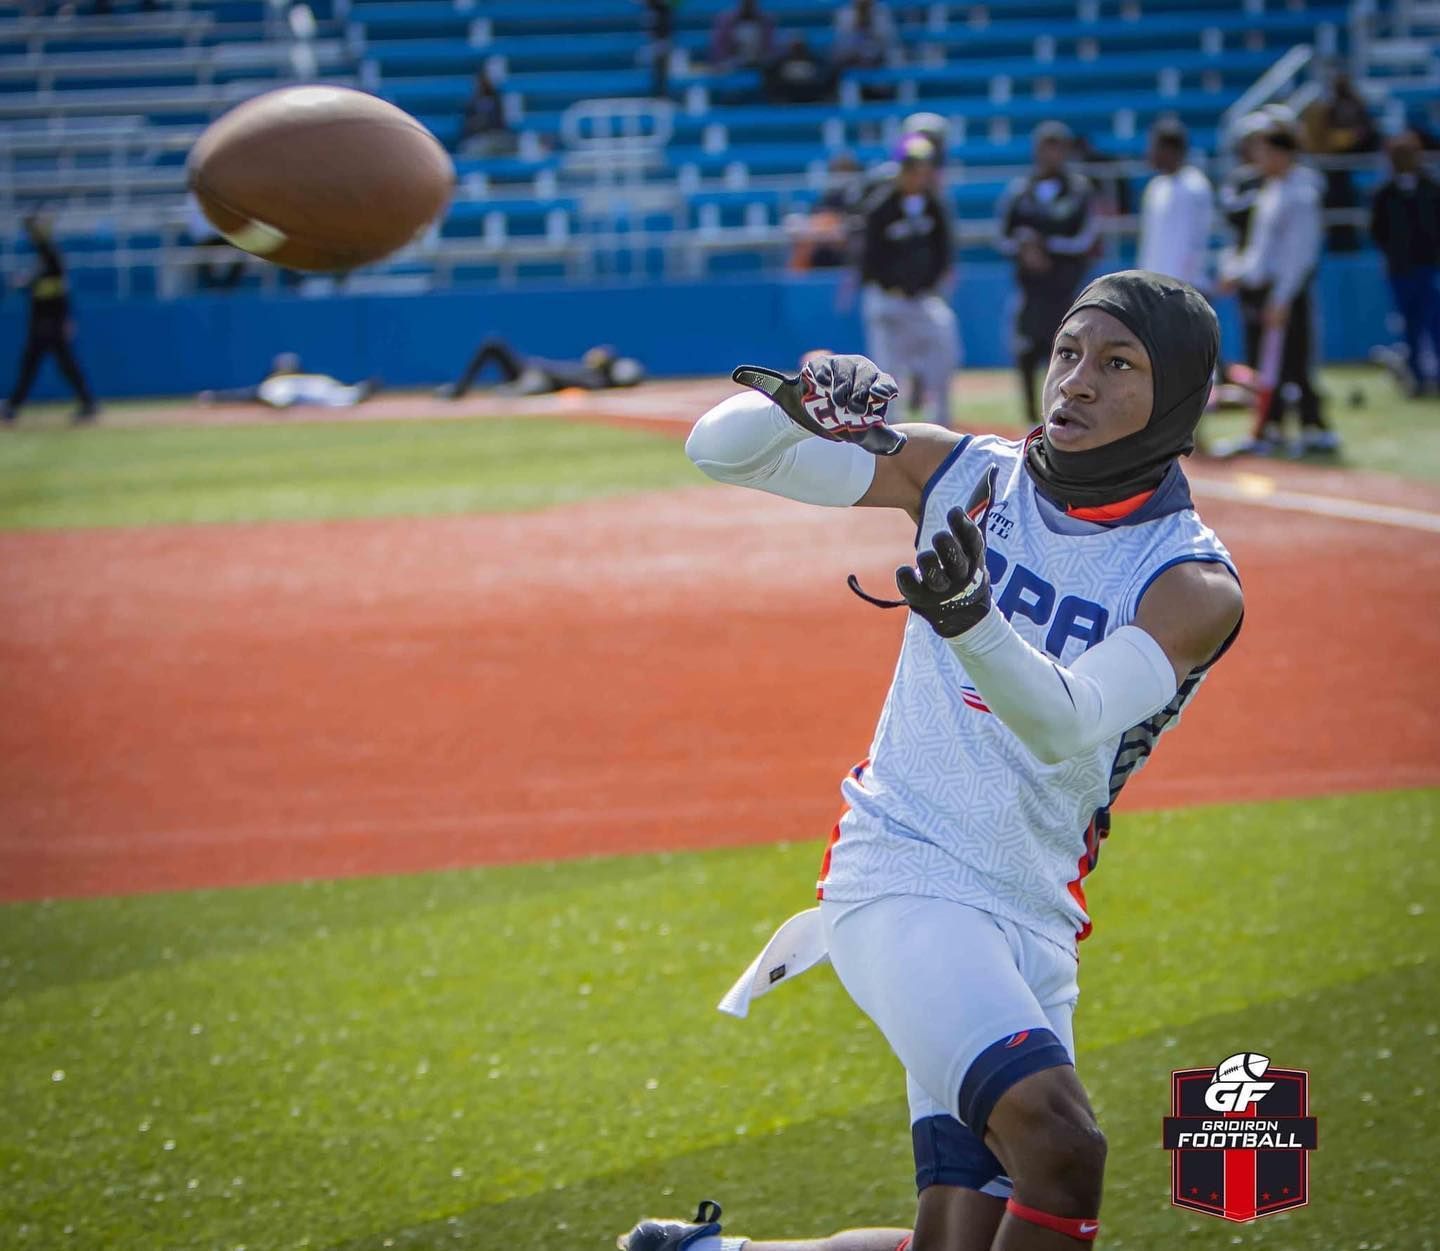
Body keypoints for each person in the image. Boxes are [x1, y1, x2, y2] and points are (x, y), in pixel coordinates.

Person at [619, 269, 1243, 1251]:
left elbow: (1067, 722)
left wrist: (971, 620)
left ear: (1179, 396)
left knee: (961, 1237)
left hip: (1037, 913)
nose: (1076, 380)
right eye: (1069, 351)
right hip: (903, 875)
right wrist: (798, 407)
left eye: (1118, 364)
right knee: (1062, 1149)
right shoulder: (965, 471)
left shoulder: (1192, 583)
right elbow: (721, 450)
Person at [1218, 114, 1337, 456]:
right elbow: (1260, 247)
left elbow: (1299, 253)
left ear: (1283, 153)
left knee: (1289, 362)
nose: (1259, 158)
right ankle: (1278, 428)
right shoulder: (1272, 188)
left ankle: (1305, 428)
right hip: (1263, 288)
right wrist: (1239, 272)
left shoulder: (1300, 193)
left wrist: (1282, 297)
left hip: (1284, 291)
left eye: (1265, 151)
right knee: (1269, 363)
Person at [996, 122, 1099, 426]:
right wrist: (1024, 248)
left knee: (1068, 356)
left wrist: (1046, 248)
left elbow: (1086, 239)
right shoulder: (1020, 191)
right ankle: (1031, 418)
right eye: (1046, 147)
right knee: (1026, 352)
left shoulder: (1079, 190)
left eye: (1057, 147)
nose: (1051, 154)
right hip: (1030, 291)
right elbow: (1002, 237)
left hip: (1065, 291)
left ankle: (1067, 414)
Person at [858, 135, 958, 426]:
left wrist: (930, 281)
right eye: (912, 168)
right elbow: (868, 257)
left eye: (923, 168)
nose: (918, 174)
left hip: (924, 299)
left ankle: (941, 423)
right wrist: (891, 284)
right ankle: (891, 427)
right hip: (888, 298)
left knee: (945, 348)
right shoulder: (880, 207)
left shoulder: (935, 206)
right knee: (887, 369)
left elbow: (944, 250)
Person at [3, 215, 98, 425]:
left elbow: (53, 287)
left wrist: (25, 284)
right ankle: (87, 404)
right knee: (47, 366)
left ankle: (12, 407)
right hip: (45, 323)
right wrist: (25, 284)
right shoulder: (46, 260)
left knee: (43, 366)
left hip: (49, 324)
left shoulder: (52, 258)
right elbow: (44, 285)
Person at [1370, 130, 1440, 397]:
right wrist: (1394, 253)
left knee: (1435, 322)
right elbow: (1377, 230)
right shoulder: (1384, 193)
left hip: (1429, 266)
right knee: (1409, 325)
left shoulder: (1431, 188)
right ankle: (1417, 378)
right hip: (1400, 269)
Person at [1302, 69, 1380, 253]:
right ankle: (1339, 243)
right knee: (1334, 203)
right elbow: (1322, 141)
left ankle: (1348, 243)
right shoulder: (1325, 110)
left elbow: (1366, 135)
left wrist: (1348, 139)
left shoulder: (1356, 107)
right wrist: (1344, 139)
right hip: (1332, 169)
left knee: (1346, 203)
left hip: (1349, 167)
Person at [1137, 119, 1213, 288]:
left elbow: (1194, 242)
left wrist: (1184, 286)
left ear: (1170, 150)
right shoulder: (1156, 187)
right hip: (1156, 285)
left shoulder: (1194, 186)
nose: (1149, 152)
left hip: (1185, 287)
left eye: (1154, 147)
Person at [437, 339, 644, 398]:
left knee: (528, 387)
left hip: (541, 378)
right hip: (531, 368)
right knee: (493, 344)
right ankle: (459, 389)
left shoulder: (596, 380)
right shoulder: (590, 370)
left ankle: (512, 391)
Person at [197, 353, 379, 409]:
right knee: (343, 396)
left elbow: (271, 401)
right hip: (332, 395)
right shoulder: (311, 378)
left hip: (330, 397)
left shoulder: (279, 383)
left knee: (342, 397)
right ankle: (361, 389)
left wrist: (215, 397)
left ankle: (360, 389)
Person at [458, 68, 516, 157]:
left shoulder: (497, 101)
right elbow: (467, 126)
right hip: (478, 139)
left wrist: (484, 122)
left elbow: (501, 123)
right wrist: (477, 123)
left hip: (495, 137)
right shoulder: (472, 104)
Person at [762, 36, 836, 105]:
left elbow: (825, 78)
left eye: (800, 47)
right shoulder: (779, 63)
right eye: (796, 47)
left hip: (812, 95)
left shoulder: (817, 62)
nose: (798, 50)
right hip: (787, 96)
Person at [709, 0, 776, 71]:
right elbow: (719, 50)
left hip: (760, 66)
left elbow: (770, 50)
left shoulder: (765, 21)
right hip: (731, 65)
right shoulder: (725, 21)